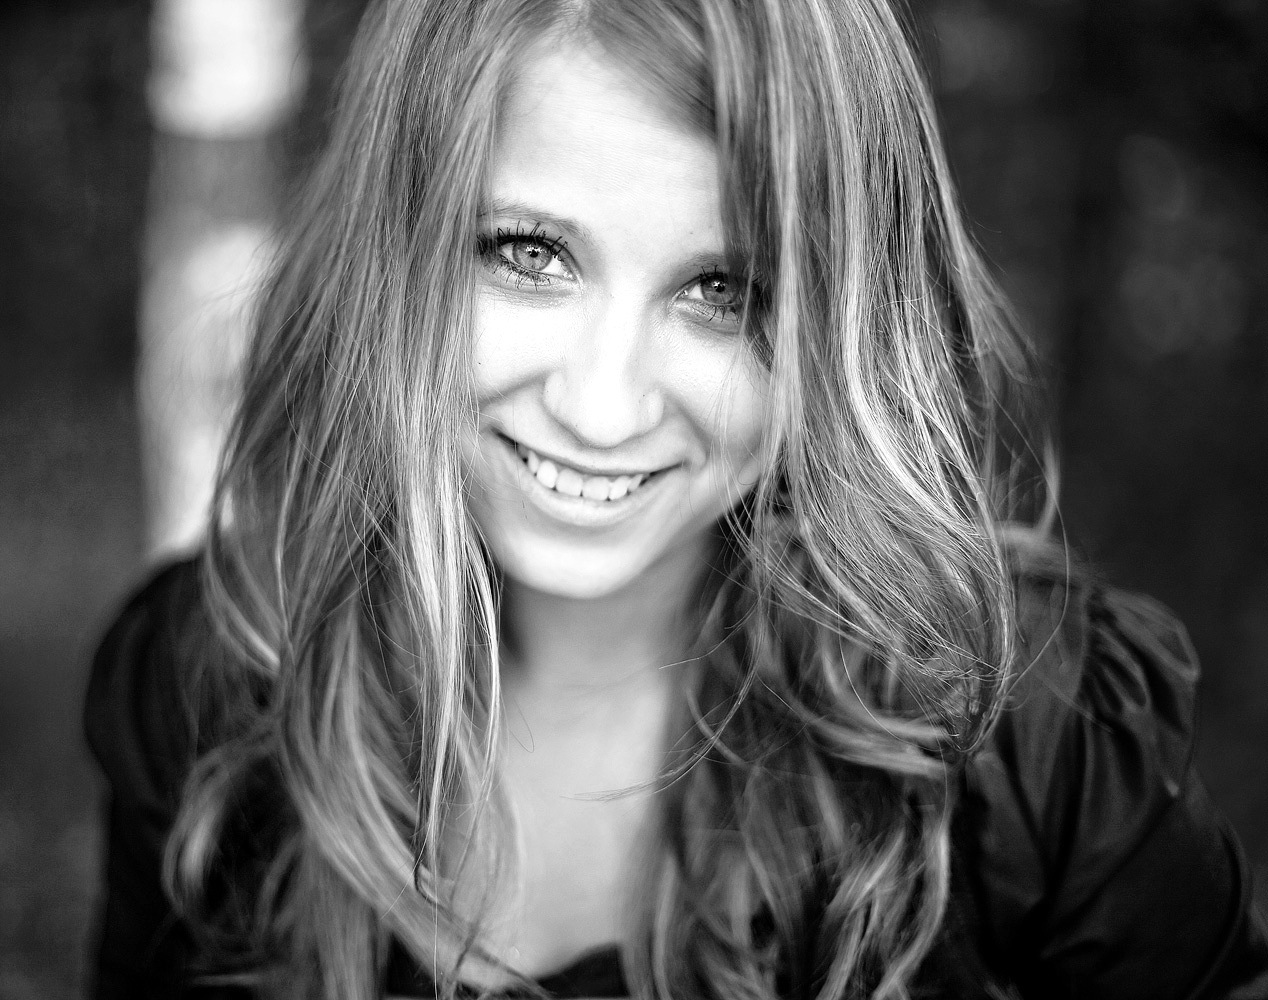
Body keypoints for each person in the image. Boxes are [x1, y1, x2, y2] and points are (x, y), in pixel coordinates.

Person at [84, 0, 1268, 998]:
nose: (602, 409)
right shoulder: (214, 681)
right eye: (529, 253)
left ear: (839, 326)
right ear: (396, 246)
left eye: (720, 290)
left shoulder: (1034, 749)